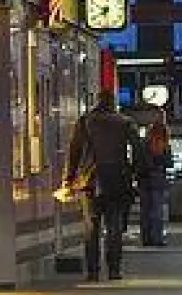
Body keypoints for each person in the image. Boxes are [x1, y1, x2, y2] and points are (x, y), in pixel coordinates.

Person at [64, 91, 145, 282]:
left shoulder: (85, 122)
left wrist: (70, 178)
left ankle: (93, 271)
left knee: (91, 228)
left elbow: (74, 151)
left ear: (97, 102)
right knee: (114, 226)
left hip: (90, 181)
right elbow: (139, 151)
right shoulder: (125, 122)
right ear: (113, 103)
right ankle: (114, 269)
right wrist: (132, 171)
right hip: (118, 180)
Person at [138, 110, 172, 247]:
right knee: (157, 210)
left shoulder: (144, 143)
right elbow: (169, 162)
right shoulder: (164, 145)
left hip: (144, 179)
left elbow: (139, 161)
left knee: (145, 210)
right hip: (158, 179)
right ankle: (157, 237)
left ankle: (146, 238)